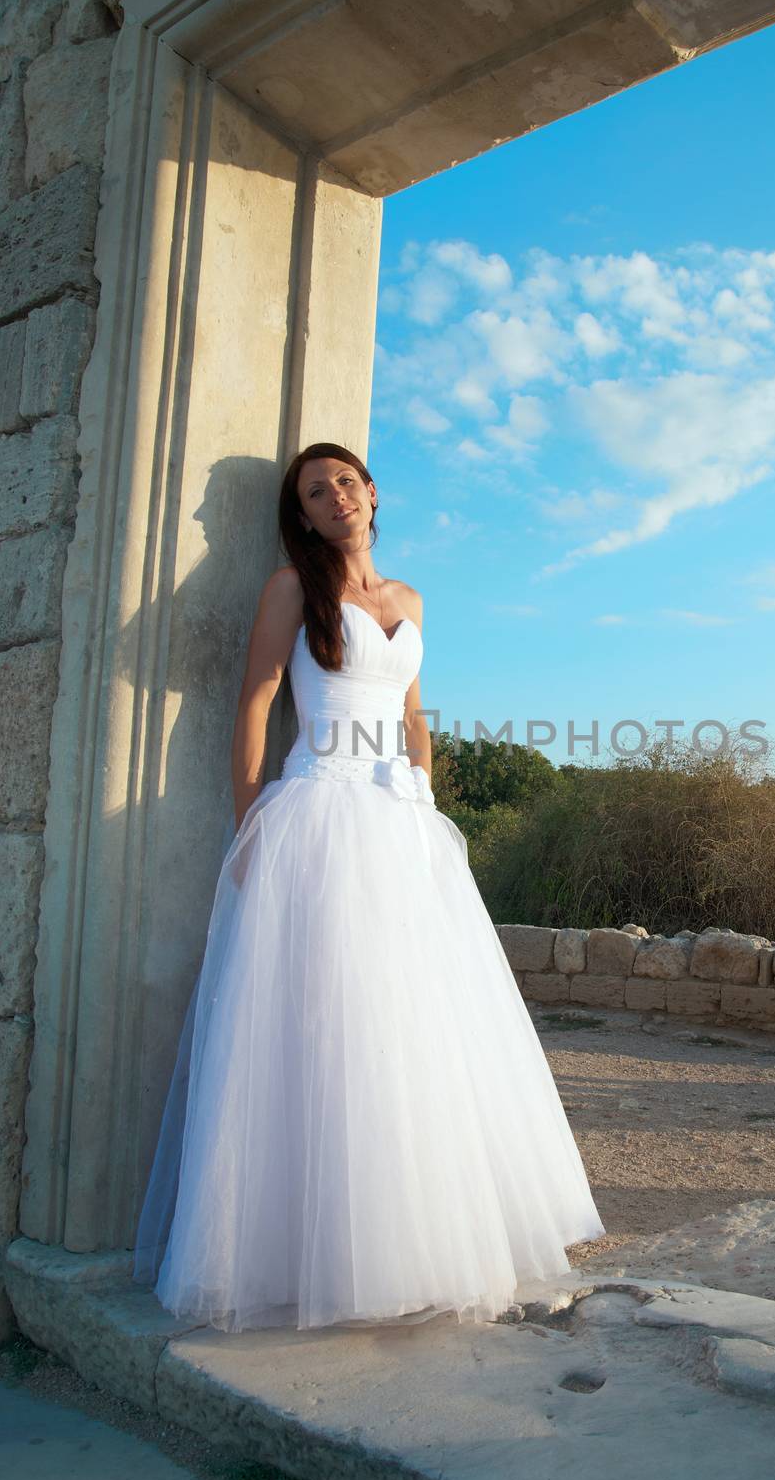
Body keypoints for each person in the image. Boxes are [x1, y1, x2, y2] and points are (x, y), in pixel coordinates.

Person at [132, 441, 606, 1333]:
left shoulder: (411, 601)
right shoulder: (289, 590)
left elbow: (415, 715)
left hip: (399, 823)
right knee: (324, 1023)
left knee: (412, 1023)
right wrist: (249, 824)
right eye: (316, 491)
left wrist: (425, 799)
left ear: (372, 492)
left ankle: (419, 1242)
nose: (335, 495)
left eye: (345, 480)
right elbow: (256, 698)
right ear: (303, 515)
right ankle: (310, 1254)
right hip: (318, 813)